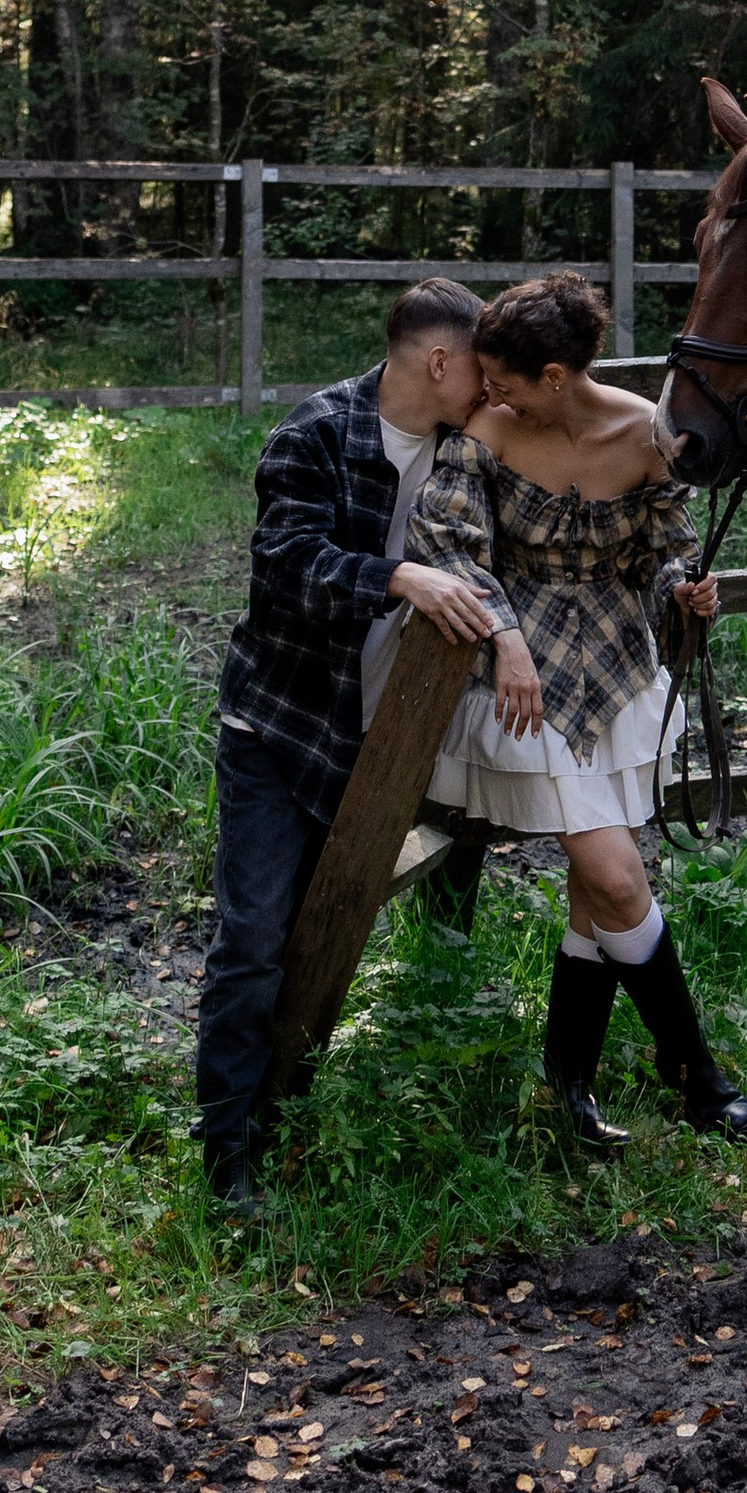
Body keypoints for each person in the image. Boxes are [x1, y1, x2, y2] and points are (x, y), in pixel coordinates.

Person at [412, 266, 747, 1154]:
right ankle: (697, 1074)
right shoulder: (486, 431)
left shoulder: (647, 433)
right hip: (522, 685)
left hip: (619, 672)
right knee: (614, 876)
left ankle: (568, 1082)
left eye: (507, 379)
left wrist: (690, 590)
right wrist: (504, 635)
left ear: (556, 379)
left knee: (591, 893)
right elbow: (445, 542)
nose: (489, 392)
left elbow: (667, 551)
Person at [196, 274, 501, 1215]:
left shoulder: (471, 447)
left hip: (395, 740)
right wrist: (401, 575)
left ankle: (302, 1101)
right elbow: (288, 569)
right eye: (481, 370)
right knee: (253, 941)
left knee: (336, 924)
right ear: (439, 360)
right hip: (284, 730)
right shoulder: (314, 434)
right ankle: (227, 1154)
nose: (493, 388)